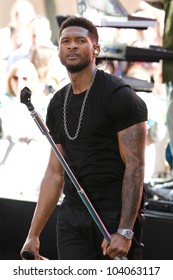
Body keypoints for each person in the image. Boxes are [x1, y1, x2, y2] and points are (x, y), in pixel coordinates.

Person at [20, 16, 147, 260]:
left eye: (80, 40)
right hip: (73, 216)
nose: (72, 45)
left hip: (113, 217)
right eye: (65, 41)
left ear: (96, 49)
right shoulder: (57, 103)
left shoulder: (120, 96)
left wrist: (126, 230)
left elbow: (136, 167)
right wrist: (33, 234)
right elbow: (55, 171)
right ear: (58, 50)